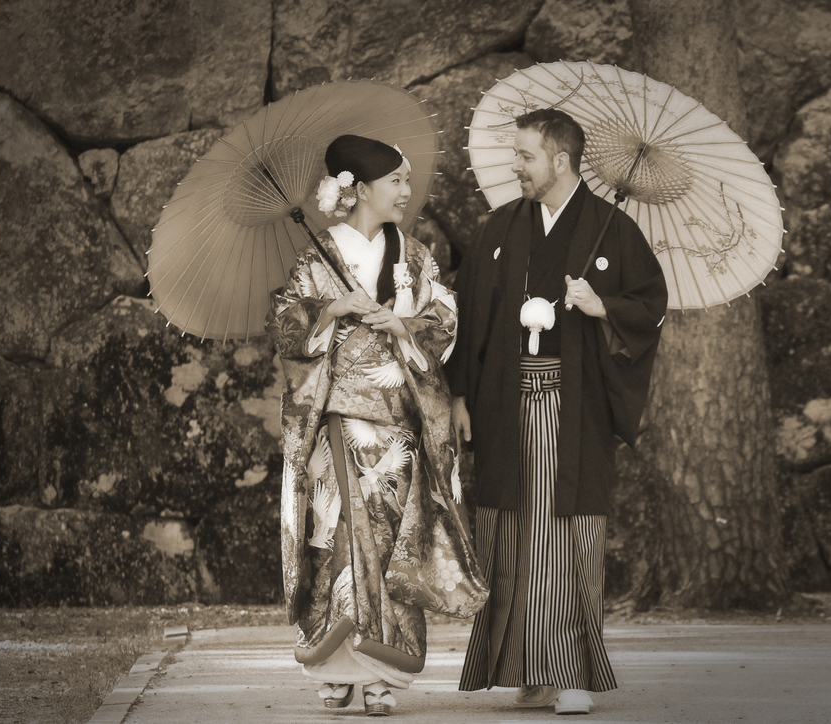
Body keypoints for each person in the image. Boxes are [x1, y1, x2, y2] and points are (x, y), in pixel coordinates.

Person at [445, 108, 667, 715]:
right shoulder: (499, 228)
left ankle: (570, 673)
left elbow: (650, 306)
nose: (516, 166)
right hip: (503, 402)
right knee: (510, 534)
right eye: (516, 154)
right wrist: (459, 395)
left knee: (568, 536)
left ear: (561, 160)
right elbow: (468, 315)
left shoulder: (613, 231)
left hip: (574, 409)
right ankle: (527, 670)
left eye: (526, 156)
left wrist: (602, 306)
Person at [267, 134, 458, 717]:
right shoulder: (316, 256)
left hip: (397, 427)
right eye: (396, 180)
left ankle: (380, 675)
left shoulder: (415, 257)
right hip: (335, 425)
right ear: (361, 188)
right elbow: (285, 323)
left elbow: (444, 319)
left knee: (393, 542)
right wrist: (332, 308)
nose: (405, 191)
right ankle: (334, 668)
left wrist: (400, 324)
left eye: (406, 181)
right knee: (334, 538)